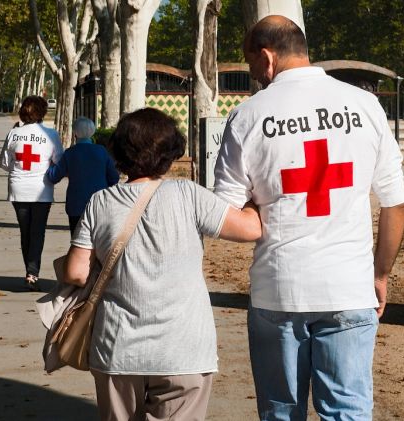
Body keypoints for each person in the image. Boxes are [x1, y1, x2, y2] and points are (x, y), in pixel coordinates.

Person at [213, 16, 404, 420]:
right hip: (350, 286)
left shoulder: (247, 116)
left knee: (282, 412)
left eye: (253, 68)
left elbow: (225, 215)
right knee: (349, 410)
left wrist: (265, 211)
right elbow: (395, 202)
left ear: (267, 58)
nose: (256, 78)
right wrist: (380, 274)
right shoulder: (365, 105)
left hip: (279, 290)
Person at [63, 108, 262, 421]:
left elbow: (75, 273)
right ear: (170, 154)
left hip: (118, 349)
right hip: (183, 350)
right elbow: (250, 229)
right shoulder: (189, 195)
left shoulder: (100, 202)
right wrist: (254, 197)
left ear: (117, 151)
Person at [0, 96, 63, 291]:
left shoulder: (14, 134)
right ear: (42, 112)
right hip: (41, 190)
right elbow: (59, 161)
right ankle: (32, 273)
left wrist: (17, 167)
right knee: (37, 232)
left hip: (18, 189)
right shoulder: (51, 135)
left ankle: (30, 270)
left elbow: (4, 163)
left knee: (25, 231)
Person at [46, 117, 120, 235]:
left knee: (77, 241)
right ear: (92, 132)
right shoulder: (101, 151)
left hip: (76, 205)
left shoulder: (70, 153)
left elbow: (54, 177)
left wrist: (49, 164)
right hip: (99, 205)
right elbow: (114, 178)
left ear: (75, 133)